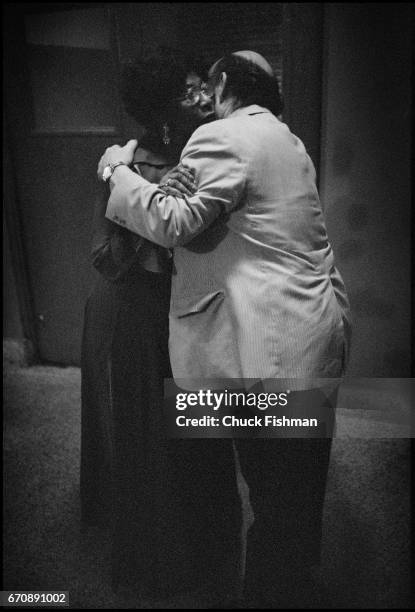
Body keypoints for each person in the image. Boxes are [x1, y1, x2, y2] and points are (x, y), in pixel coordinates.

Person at [97, 50, 351, 607]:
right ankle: (291, 579)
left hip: (266, 344)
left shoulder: (223, 137)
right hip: (310, 328)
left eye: (204, 85)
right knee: (297, 488)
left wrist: (117, 171)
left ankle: (272, 592)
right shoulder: (285, 137)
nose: (201, 98)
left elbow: (174, 223)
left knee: (276, 489)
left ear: (225, 84)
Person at [81, 47, 241, 600]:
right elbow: (104, 257)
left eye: (204, 86)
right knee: (154, 441)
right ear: (163, 108)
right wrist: (146, 208)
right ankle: (159, 566)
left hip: (199, 313)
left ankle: (209, 553)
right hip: (144, 316)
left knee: (203, 434)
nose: (203, 96)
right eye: (189, 90)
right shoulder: (123, 164)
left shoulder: (218, 149)